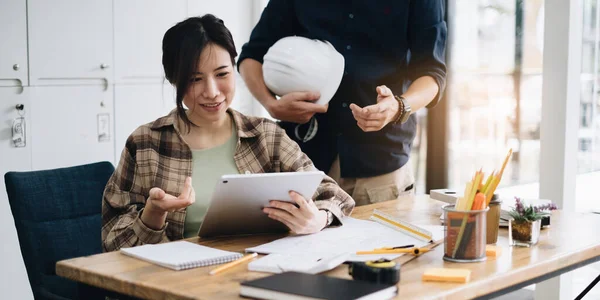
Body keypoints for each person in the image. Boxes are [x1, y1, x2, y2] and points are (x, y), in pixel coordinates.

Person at [101, 14, 355, 252]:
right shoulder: (145, 143)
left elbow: (333, 194)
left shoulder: (265, 135)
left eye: (222, 74)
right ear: (173, 79)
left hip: (253, 274)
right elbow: (111, 242)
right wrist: (153, 215)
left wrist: (317, 219)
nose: (212, 92)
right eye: (194, 79)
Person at [238, 1, 447, 206]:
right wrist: (271, 104)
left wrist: (398, 107)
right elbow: (252, 56)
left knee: (384, 242)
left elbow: (432, 73)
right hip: (304, 161)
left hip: (380, 162)